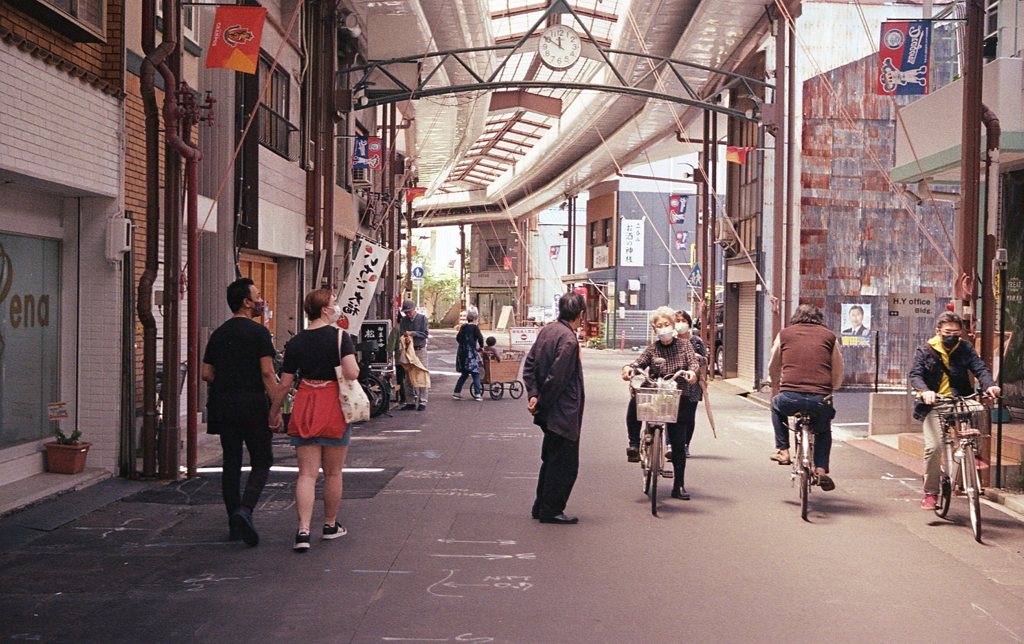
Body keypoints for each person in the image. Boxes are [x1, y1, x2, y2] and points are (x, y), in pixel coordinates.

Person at [269, 289, 360, 552]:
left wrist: (273, 413)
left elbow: (284, 384)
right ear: (324, 309)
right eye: (334, 303)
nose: (337, 307)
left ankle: (303, 531)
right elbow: (352, 372)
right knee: (333, 472)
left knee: (306, 475)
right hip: (333, 404)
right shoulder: (341, 337)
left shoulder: (296, 341)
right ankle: (330, 525)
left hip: (306, 402)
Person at [201, 278, 279, 546]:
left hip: (223, 404)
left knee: (231, 462)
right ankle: (245, 510)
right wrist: (276, 408)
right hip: (252, 404)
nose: (261, 300)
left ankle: (233, 524)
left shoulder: (219, 333)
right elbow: (268, 373)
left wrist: (229, 378)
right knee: (262, 459)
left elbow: (205, 372)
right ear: (246, 302)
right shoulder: (258, 333)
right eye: (257, 295)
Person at [908, 311, 1000, 510]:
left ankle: (973, 453)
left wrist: (989, 385)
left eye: (956, 333)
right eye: (947, 332)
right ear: (938, 331)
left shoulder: (965, 348)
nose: (952, 336)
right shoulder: (926, 350)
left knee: (977, 409)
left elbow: (980, 368)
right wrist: (925, 391)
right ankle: (931, 493)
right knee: (933, 448)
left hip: (960, 399)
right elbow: (915, 375)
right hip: (935, 404)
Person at [621, 306, 700, 500]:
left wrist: (691, 373)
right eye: (659, 325)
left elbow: (693, 363)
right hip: (654, 393)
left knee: (678, 443)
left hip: (676, 396)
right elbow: (638, 363)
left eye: (666, 324)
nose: (663, 328)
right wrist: (629, 368)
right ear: (654, 329)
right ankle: (633, 444)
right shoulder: (652, 348)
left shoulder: (684, 346)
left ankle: (678, 485)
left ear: (672, 326)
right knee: (635, 402)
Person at [523, 292, 587, 524]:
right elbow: (557, 378)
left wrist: (533, 394)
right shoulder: (569, 340)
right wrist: (540, 402)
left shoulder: (547, 331)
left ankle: (541, 506)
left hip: (548, 409)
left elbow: (529, 364)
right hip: (563, 411)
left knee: (551, 458)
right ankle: (551, 509)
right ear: (580, 314)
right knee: (565, 463)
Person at [768, 303, 844, 491]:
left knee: (776, 405)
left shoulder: (784, 334)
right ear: (819, 318)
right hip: (820, 398)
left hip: (790, 397)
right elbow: (837, 367)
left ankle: (783, 450)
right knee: (823, 428)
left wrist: (775, 382)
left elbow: (774, 362)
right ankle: (821, 470)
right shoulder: (829, 336)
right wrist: (832, 387)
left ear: (796, 316)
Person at [675, 310, 707, 457]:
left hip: (692, 383)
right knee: (671, 415)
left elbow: (706, 360)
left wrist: (698, 358)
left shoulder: (696, 341)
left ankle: (685, 445)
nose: (680, 324)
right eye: (677, 321)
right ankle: (671, 445)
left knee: (688, 416)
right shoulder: (669, 340)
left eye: (683, 321)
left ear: (689, 323)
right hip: (672, 382)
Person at [399, 299, 430, 410]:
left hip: (420, 350)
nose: (407, 314)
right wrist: (405, 338)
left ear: (414, 309)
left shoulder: (422, 319)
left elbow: (425, 334)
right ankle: (410, 401)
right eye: (405, 312)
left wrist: (412, 333)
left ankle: (422, 401)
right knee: (408, 376)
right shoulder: (403, 320)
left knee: (422, 374)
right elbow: (401, 334)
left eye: (409, 312)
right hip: (409, 351)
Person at [453, 309, 485, 400]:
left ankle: (456, 392)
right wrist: (481, 347)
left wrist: (462, 344)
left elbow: (458, 337)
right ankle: (478, 394)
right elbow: (480, 337)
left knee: (464, 373)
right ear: (475, 319)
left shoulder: (463, 326)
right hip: (470, 352)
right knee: (475, 373)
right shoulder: (474, 327)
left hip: (462, 352)